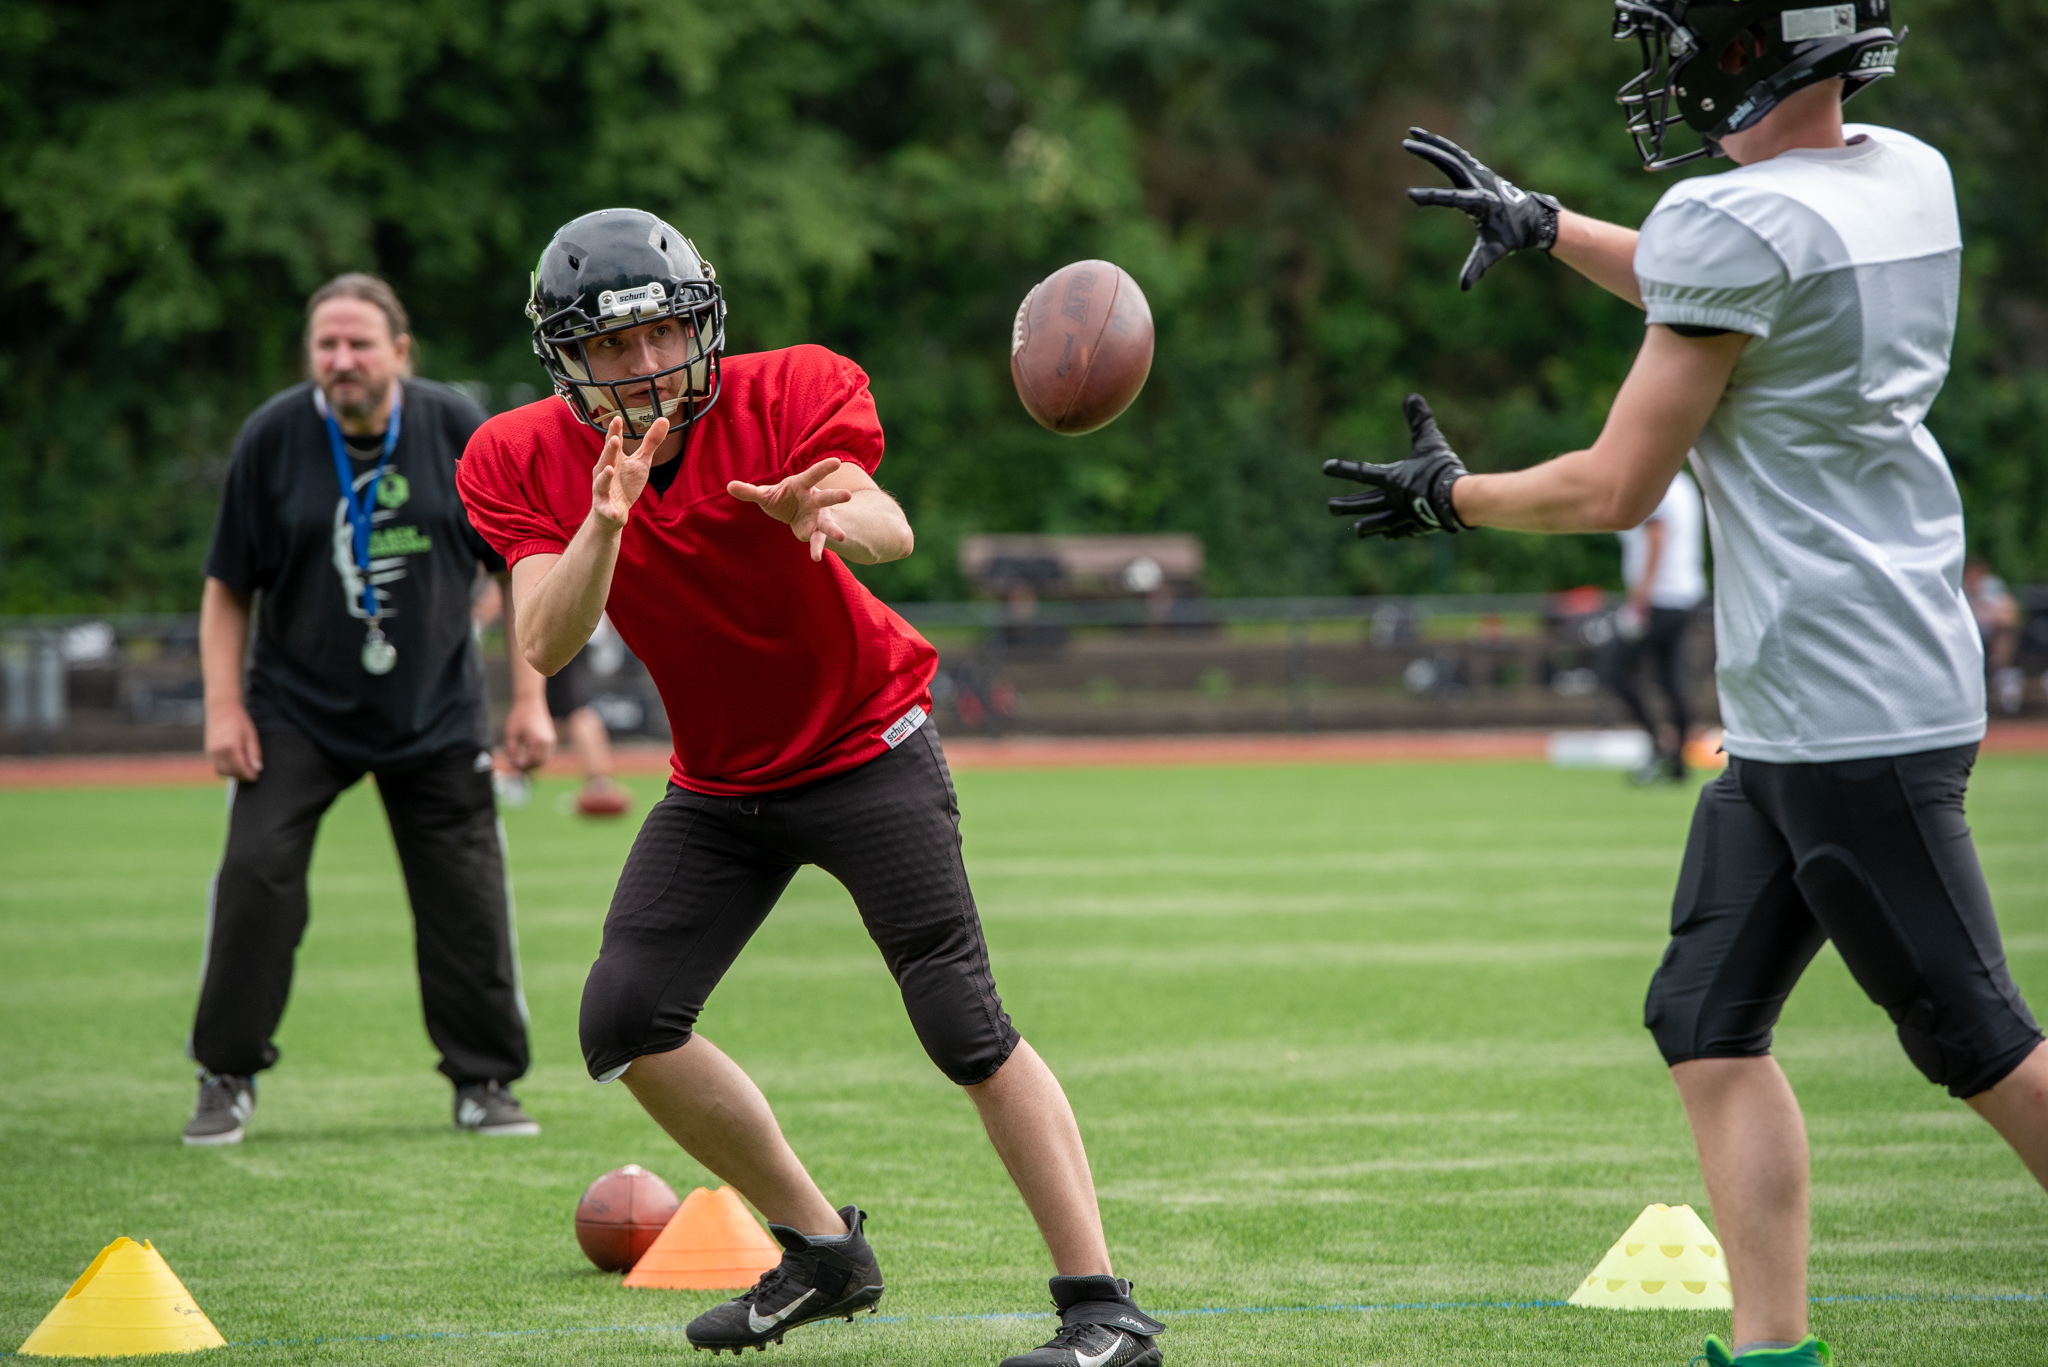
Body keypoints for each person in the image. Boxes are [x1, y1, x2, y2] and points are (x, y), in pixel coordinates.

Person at [1327, 7, 2048, 1365]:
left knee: (1975, 1036)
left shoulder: (1738, 223)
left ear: (1740, 49)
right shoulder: (1905, 173)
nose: (1663, 67)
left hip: (1847, 705)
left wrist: (1451, 497)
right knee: (1707, 1019)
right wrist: (1553, 226)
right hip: (1827, 686)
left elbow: (1617, 484)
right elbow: (1727, 268)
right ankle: (1772, 1350)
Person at [458, 209, 1165, 1367]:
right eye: (613, 346)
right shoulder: (520, 455)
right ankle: (824, 1250)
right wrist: (602, 522)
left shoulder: (788, 391)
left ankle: (1101, 1305)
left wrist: (826, 511)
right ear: (566, 358)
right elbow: (542, 641)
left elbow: (886, 518)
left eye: (664, 333)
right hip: (721, 780)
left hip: (864, 743)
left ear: (702, 323)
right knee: (624, 1019)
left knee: (959, 1021)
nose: (645, 365)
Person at [189, 273, 555, 1145]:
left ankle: (484, 1080)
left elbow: (516, 563)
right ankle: (226, 1073)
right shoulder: (274, 436)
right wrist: (223, 708)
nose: (341, 359)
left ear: (401, 351)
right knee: (256, 875)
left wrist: (530, 699)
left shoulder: (454, 427)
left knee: (465, 894)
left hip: (434, 710)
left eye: (359, 343)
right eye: (326, 344)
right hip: (297, 709)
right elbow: (227, 586)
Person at [1598, 465, 1707, 782]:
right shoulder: (1684, 485)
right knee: (1671, 679)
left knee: (1613, 670)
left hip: (1659, 598)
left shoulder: (1654, 481)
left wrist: (1638, 601)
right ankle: (1677, 763)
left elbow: (1657, 536)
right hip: (1685, 596)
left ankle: (1659, 748)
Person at [543, 614, 633, 817]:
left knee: (576, 712)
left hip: (564, 626)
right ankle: (519, 776)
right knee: (557, 717)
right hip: (570, 627)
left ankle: (600, 782)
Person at [1963, 557, 2025, 715]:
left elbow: (2010, 613)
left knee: (2004, 628)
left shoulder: (1993, 587)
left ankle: (2001, 671)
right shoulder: (1960, 588)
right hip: (1967, 636)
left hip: (1991, 634)